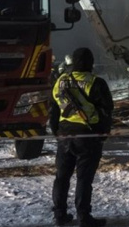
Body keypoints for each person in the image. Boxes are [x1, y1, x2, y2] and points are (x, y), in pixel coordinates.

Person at [50, 48, 113, 227]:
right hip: (88, 136)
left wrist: (56, 131)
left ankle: (60, 215)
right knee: (84, 179)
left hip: (64, 135)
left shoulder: (61, 81)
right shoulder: (96, 83)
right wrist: (103, 134)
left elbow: (53, 108)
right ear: (91, 63)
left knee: (61, 177)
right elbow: (107, 111)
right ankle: (84, 217)